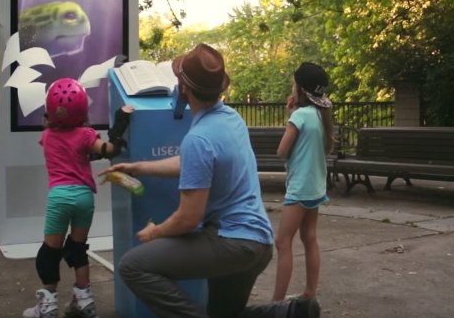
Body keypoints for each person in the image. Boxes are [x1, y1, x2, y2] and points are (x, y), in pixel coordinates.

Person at [99, 44, 321, 318]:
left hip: (230, 242)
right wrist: (139, 167)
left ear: (182, 89)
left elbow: (188, 219)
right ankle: (288, 312)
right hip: (257, 243)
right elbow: (191, 163)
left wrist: (153, 233)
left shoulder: (199, 138)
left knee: (133, 266)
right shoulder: (231, 119)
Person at [23, 78, 133, 318]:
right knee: (77, 249)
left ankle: (48, 307)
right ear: (83, 109)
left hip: (60, 198)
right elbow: (109, 150)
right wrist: (121, 120)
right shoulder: (85, 135)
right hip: (84, 197)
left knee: (50, 253)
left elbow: (67, 149)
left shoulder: (48, 136)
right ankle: (84, 303)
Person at [272, 63, 336, 303]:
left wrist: (291, 118)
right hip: (316, 187)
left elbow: (281, 151)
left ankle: (276, 303)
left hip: (299, 188)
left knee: (282, 241)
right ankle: (310, 291)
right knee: (309, 237)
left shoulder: (300, 116)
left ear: (299, 88)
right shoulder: (320, 115)